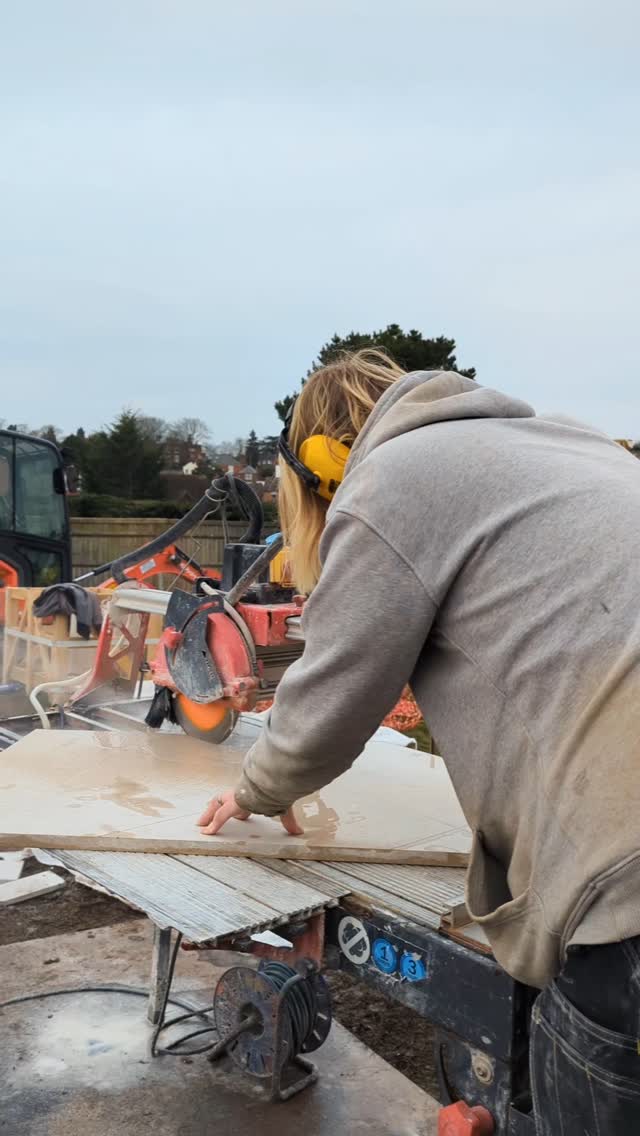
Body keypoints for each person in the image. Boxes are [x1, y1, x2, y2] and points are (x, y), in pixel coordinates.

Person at [198, 349, 640, 1133]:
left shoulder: (391, 479)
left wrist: (257, 789)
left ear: (323, 464)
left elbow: (334, 692)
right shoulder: (568, 441)